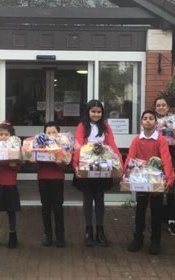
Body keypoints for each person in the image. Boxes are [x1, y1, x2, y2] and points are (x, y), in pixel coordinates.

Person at [72, 100, 123, 247]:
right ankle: (88, 230)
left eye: (99, 112)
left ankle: (100, 230)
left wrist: (119, 163)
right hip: (86, 168)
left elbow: (112, 145)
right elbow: (78, 147)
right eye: (93, 111)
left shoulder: (106, 127)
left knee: (100, 199)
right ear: (88, 112)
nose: (96, 114)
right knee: (87, 199)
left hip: (102, 168)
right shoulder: (82, 127)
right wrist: (76, 166)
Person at [125, 110, 174, 254]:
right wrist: (125, 173)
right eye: (145, 118)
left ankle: (155, 241)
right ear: (141, 122)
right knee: (140, 210)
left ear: (155, 122)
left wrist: (169, 178)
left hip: (156, 181)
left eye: (151, 118)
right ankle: (138, 238)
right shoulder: (136, 140)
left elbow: (166, 159)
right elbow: (130, 158)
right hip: (140, 180)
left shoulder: (161, 140)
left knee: (156, 211)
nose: (148, 121)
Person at [154, 96, 175, 236]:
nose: (161, 107)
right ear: (155, 108)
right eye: (158, 105)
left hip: (173, 153)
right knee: (158, 185)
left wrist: (167, 129)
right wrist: (167, 130)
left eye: (163, 105)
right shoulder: (151, 118)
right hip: (156, 153)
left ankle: (172, 220)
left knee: (172, 186)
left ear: (167, 107)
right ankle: (159, 217)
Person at [0, 122, 21, 249]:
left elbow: (19, 165)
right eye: (0, 134)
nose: (3, 136)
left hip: (10, 183)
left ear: (11, 136)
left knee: (11, 211)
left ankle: (13, 236)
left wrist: (14, 165)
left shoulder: (15, 149)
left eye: (6, 134)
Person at [36, 121, 66, 248]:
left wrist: (60, 161)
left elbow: (65, 163)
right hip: (43, 178)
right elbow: (36, 164)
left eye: (54, 132)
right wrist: (34, 159)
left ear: (58, 134)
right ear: (44, 134)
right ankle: (47, 234)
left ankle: (60, 236)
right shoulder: (39, 144)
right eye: (48, 132)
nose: (51, 134)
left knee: (58, 207)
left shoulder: (63, 145)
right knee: (46, 207)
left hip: (57, 179)